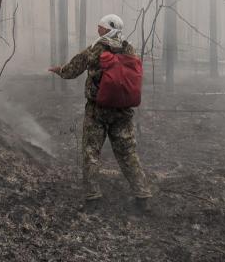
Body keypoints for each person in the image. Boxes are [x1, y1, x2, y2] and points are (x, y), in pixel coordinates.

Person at [49, 14, 152, 213]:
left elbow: (73, 69)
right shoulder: (129, 48)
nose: (98, 30)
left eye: (100, 27)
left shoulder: (96, 48)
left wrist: (59, 70)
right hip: (123, 111)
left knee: (91, 152)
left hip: (98, 110)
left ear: (107, 29)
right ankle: (142, 195)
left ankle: (93, 197)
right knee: (128, 152)